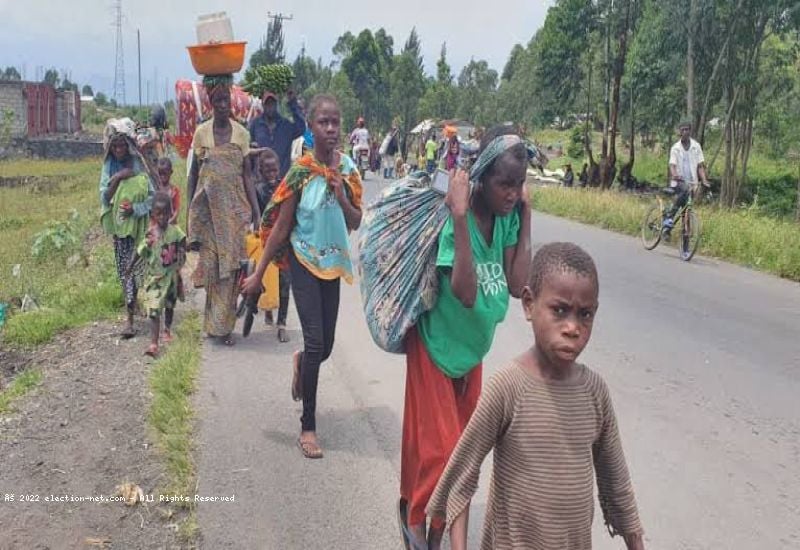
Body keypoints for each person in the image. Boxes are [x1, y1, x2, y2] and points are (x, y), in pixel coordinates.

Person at [426, 242, 645, 550]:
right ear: (529, 304)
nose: (573, 327)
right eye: (559, 310)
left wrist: (635, 541)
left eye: (586, 314)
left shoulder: (595, 392)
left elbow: (616, 479)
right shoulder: (508, 387)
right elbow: (463, 473)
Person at [398, 126, 532, 549]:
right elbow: (466, 292)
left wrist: (526, 218)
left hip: (471, 352)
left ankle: (428, 520)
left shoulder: (509, 217)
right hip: (436, 345)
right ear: (481, 177)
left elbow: (516, 283)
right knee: (443, 451)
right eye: (504, 184)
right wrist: (458, 217)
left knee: (461, 453)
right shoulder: (456, 217)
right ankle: (417, 525)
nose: (512, 193)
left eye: (519, 184)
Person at [242, 94, 363, 460]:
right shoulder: (300, 173)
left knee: (322, 348)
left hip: (333, 264)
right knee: (315, 343)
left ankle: (301, 363)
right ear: (310, 127)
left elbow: (355, 221)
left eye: (335, 122)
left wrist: (342, 197)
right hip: (303, 262)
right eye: (323, 122)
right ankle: (308, 426)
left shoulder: (349, 171)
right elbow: (280, 228)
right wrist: (258, 274)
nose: (330, 128)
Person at [188, 74, 261, 346]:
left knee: (230, 271)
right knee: (211, 268)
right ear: (210, 103)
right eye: (217, 100)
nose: (222, 105)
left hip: (233, 213)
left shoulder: (241, 134)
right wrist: (190, 217)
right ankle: (212, 323)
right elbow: (194, 176)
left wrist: (255, 210)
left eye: (225, 100)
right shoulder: (201, 133)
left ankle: (225, 327)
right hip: (208, 215)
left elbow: (247, 176)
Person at [99, 124, 155, 339]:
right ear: (111, 148)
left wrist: (136, 209)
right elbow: (105, 198)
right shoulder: (109, 167)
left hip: (142, 228)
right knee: (126, 272)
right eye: (115, 146)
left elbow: (152, 197)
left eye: (123, 145)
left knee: (143, 270)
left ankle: (150, 309)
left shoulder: (139, 165)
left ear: (129, 146)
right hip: (122, 231)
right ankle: (129, 320)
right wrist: (119, 177)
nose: (119, 150)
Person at [128, 193, 186, 358]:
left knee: (169, 306)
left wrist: (182, 252)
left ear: (171, 212)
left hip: (172, 277)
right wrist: (130, 266)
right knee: (154, 310)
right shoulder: (150, 235)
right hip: (156, 279)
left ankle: (167, 330)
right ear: (153, 214)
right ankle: (153, 343)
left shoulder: (175, 231)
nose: (162, 217)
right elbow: (139, 251)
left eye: (166, 213)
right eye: (158, 213)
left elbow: (182, 242)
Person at [243, 148, 292, 343]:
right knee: (261, 279)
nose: (272, 174)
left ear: (279, 169)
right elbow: (254, 213)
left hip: (284, 243)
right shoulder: (257, 190)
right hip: (264, 243)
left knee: (284, 282)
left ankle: (282, 323)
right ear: (261, 171)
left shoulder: (285, 188)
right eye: (267, 171)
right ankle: (264, 310)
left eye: (274, 170)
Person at [249, 90, 307, 180]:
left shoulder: (286, 125)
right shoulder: (255, 125)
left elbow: (301, 128)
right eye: (267, 104)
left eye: (272, 104)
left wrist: (292, 102)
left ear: (276, 104)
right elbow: (250, 149)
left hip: (282, 180)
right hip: (262, 183)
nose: (270, 107)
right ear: (263, 105)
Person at [664, 120, 709, 233]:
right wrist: (675, 175)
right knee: (684, 191)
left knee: (686, 211)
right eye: (683, 129)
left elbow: (700, 166)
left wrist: (704, 180)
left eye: (687, 129)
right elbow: (672, 165)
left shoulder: (696, 146)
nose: (685, 132)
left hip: (691, 182)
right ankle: (669, 217)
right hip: (679, 181)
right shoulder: (675, 148)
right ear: (680, 132)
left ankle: (683, 239)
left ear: (690, 131)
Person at [155, 157, 180, 225]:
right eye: (160, 174)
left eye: (164, 174)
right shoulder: (155, 190)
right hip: (157, 225)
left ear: (171, 172)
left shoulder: (174, 190)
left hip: (171, 224)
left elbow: (176, 210)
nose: (162, 176)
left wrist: (171, 221)